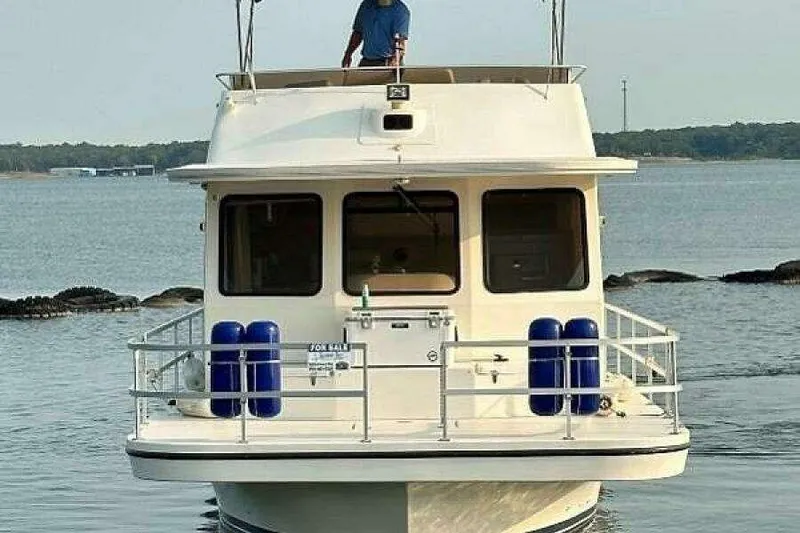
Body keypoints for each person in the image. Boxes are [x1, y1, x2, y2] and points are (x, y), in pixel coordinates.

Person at [341, 0, 410, 68]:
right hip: (366, 61)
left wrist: (395, 60)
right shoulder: (366, 5)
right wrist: (348, 54)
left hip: (388, 61)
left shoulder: (400, 10)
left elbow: (400, 42)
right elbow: (358, 33)